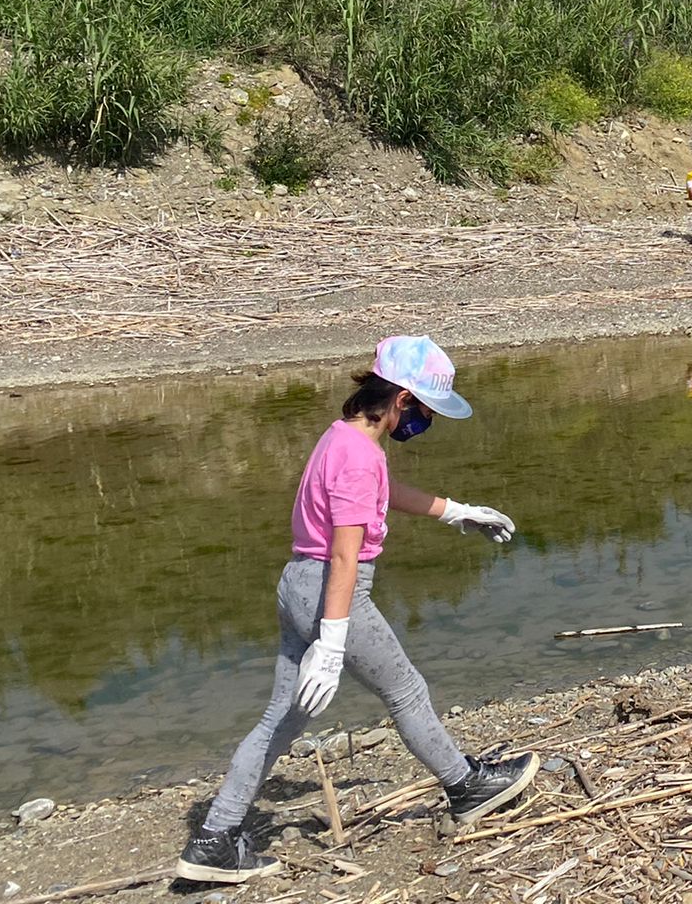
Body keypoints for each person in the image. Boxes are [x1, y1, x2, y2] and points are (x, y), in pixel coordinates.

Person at [177, 335, 539, 885]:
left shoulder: (345, 438)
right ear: (400, 401)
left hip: (296, 582)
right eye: (422, 410)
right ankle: (467, 786)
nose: (423, 422)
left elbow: (384, 488)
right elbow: (346, 554)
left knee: (282, 716)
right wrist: (332, 641)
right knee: (405, 691)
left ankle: (214, 839)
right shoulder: (356, 457)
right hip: (330, 587)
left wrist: (456, 512)